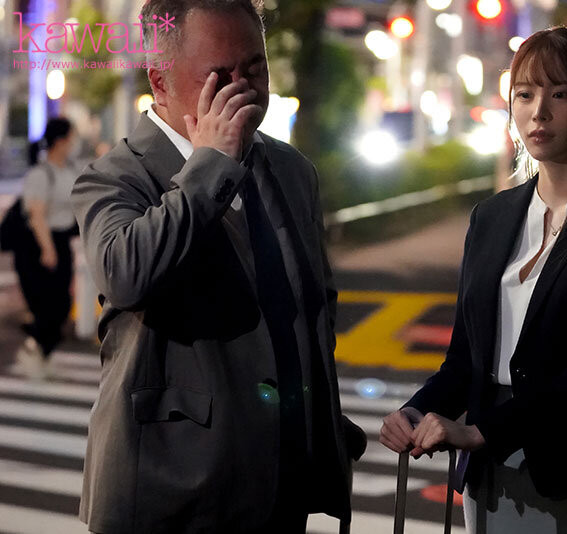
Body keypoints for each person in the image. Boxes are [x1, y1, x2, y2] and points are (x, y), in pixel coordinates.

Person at [70, 1, 366, 532]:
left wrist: (320, 420)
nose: (243, 88)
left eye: (255, 67)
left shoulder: (291, 169)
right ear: (160, 82)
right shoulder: (115, 176)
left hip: (279, 480)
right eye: (219, 76)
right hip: (170, 487)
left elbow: (314, 306)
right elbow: (126, 274)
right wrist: (210, 165)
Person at [381, 27, 567, 533]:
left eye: (561, 94)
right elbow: (465, 360)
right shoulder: (491, 217)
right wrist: (415, 411)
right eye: (525, 94)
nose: (539, 112)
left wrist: (481, 432)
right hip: (491, 478)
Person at [14, 117, 79, 379]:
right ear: (61, 141)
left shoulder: (70, 171)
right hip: (36, 246)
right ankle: (35, 353)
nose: (74, 143)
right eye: (72, 137)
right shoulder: (40, 174)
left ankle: (42, 353)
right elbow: (36, 215)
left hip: (61, 243)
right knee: (45, 305)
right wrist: (47, 249)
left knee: (62, 304)